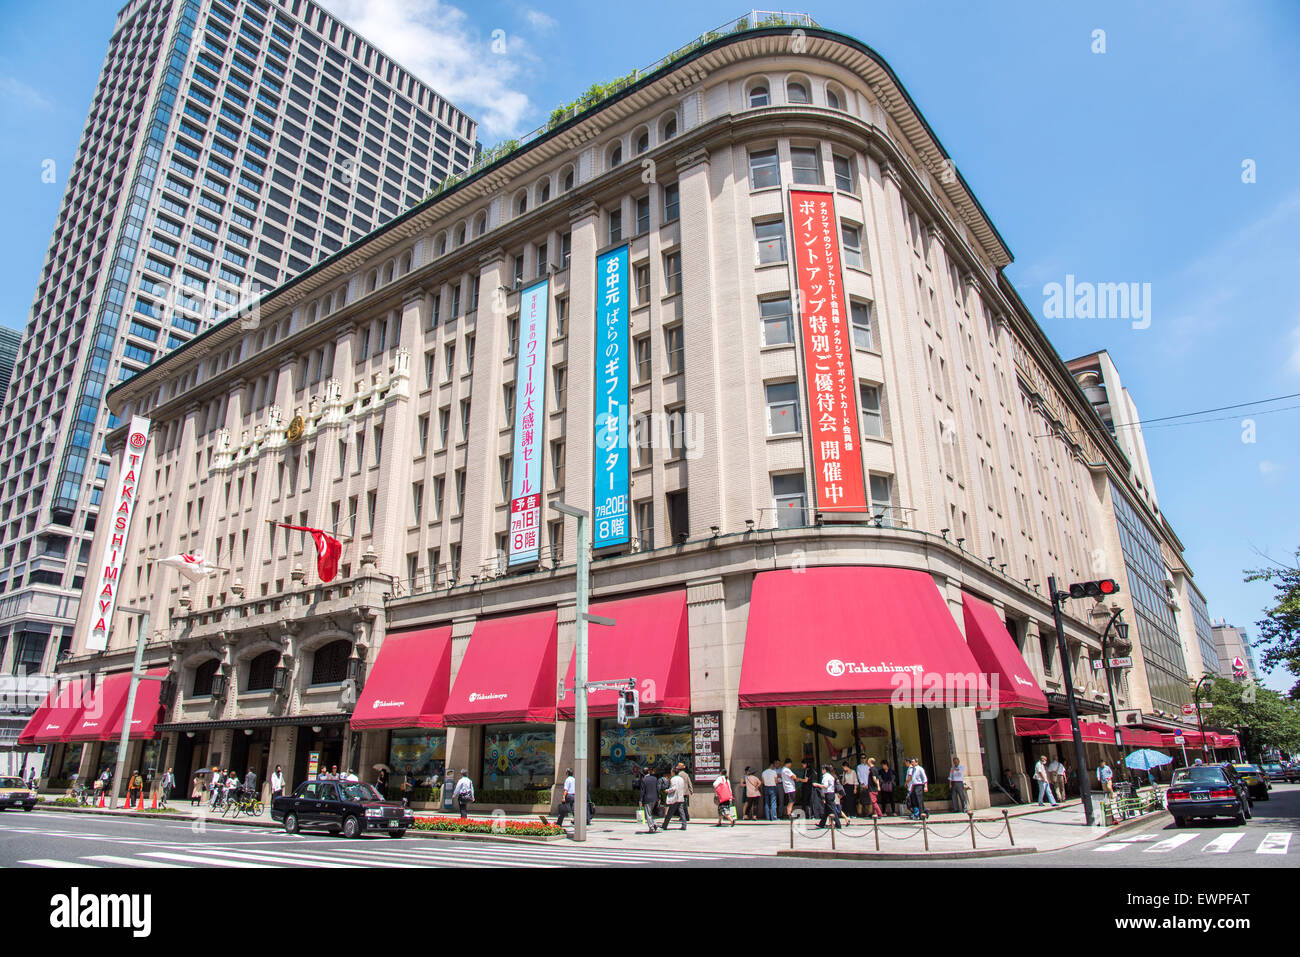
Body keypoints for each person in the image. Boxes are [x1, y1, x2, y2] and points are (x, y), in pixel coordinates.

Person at [816, 764, 843, 828]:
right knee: (826, 810)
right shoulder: (830, 776)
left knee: (832, 809)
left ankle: (838, 824)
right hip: (831, 793)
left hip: (828, 794)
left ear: (824, 770)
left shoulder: (826, 777)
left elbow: (825, 786)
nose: (822, 771)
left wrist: (817, 785)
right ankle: (821, 824)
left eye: (822, 769)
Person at [662, 766, 688, 830]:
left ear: (673, 772)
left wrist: (667, 790)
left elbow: (673, 788)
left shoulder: (673, 779)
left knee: (670, 812)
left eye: (671, 771)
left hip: (675, 798)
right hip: (680, 797)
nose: (671, 773)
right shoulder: (681, 779)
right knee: (682, 812)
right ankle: (684, 825)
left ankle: (665, 825)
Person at [638, 766, 660, 833]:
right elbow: (658, 788)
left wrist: (640, 800)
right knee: (650, 813)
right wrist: (659, 797)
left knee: (648, 814)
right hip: (654, 798)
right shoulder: (655, 778)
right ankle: (654, 824)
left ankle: (651, 827)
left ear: (643, 773)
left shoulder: (644, 780)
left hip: (647, 799)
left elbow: (642, 791)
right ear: (648, 772)